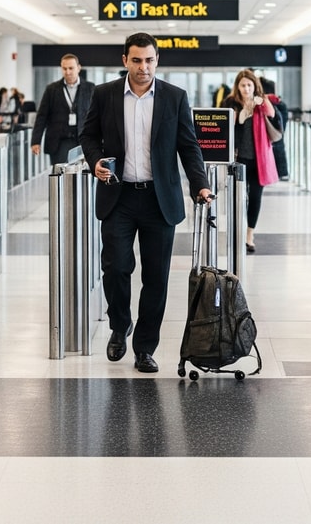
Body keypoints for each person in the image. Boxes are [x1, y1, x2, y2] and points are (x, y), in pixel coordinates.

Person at [81, 32, 212, 374]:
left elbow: (189, 146)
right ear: (125, 60)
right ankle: (119, 324)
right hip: (118, 196)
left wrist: (200, 185)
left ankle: (144, 348)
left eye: (149, 60)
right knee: (115, 267)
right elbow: (88, 134)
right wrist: (94, 160)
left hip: (159, 200)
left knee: (156, 277)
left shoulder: (174, 97)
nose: (143, 67)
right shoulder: (105, 94)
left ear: (157, 61)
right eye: (136, 60)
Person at [225, 69, 278, 254]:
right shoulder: (231, 102)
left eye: (249, 85)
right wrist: (246, 108)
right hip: (239, 158)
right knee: (238, 198)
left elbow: (272, 115)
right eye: (243, 85)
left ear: (255, 85)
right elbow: (232, 123)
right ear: (237, 87)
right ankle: (237, 231)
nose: (246, 89)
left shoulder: (261, 101)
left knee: (255, 197)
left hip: (259, 159)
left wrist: (262, 103)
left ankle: (249, 234)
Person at [31, 54, 94, 165]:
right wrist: (36, 141)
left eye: (71, 68)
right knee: (60, 174)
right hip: (58, 142)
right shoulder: (52, 89)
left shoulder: (90, 88)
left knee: (82, 176)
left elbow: (96, 116)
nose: (67, 72)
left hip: (82, 141)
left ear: (78, 68)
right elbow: (42, 116)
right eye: (64, 68)